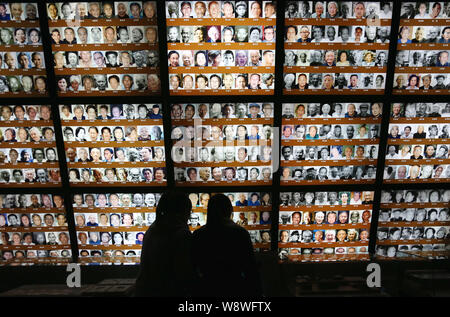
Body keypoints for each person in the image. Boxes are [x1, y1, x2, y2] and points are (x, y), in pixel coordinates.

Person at [191, 194, 262, 297]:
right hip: (235, 287)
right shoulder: (240, 233)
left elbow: (193, 266)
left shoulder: (198, 234)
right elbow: (250, 267)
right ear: (229, 210)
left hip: (207, 288)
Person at [135, 192, 194, 296]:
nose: (189, 215)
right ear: (182, 211)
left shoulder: (154, 228)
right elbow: (183, 272)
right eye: (188, 211)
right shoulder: (180, 233)